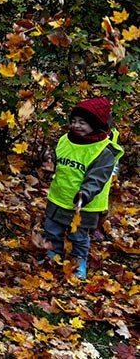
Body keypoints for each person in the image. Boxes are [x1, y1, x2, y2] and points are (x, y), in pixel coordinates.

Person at [43, 98, 123, 280]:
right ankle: (53, 254)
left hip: (83, 204)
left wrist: (85, 193)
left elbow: (98, 178)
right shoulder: (66, 140)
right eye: (74, 121)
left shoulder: (103, 151)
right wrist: (47, 158)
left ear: (94, 125)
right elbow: (58, 160)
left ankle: (79, 261)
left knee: (77, 235)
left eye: (82, 123)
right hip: (59, 197)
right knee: (51, 228)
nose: (76, 126)